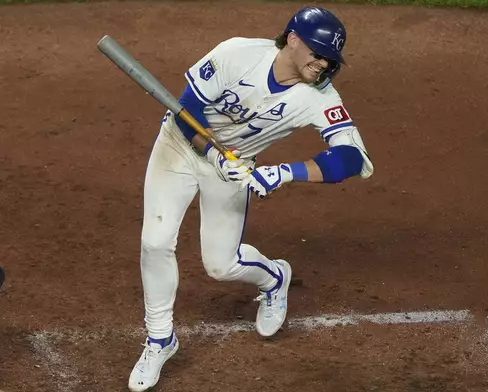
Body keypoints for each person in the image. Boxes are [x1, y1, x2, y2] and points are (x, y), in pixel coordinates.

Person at [127, 6, 374, 392]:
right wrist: (212, 154)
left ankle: (275, 278)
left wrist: (282, 172)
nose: (324, 64)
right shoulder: (236, 54)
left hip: (236, 167)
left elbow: (351, 157)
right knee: (154, 242)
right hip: (179, 149)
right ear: (293, 40)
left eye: (330, 59)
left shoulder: (320, 96)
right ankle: (160, 338)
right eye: (318, 53)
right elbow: (184, 111)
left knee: (221, 266)